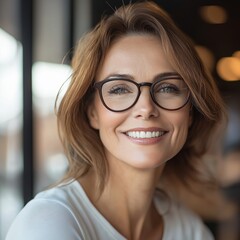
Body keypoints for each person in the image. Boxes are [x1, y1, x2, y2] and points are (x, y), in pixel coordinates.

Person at [6, 1, 226, 240]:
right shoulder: (49, 223)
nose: (145, 108)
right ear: (92, 112)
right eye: (120, 89)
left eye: (167, 87)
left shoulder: (190, 230)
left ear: (191, 112)